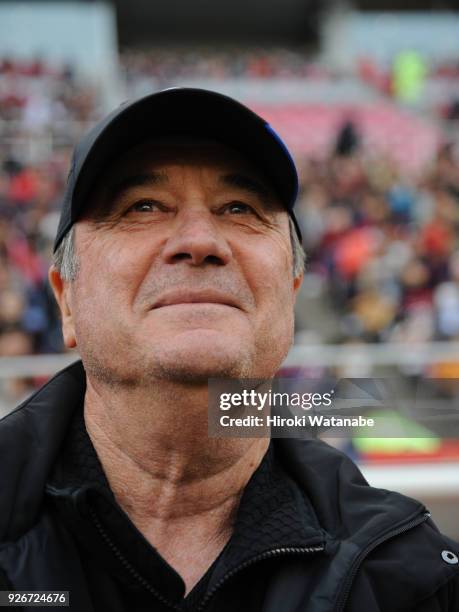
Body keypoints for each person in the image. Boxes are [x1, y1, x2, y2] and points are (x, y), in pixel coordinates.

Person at [0, 87, 458, 612]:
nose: (200, 240)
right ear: (67, 302)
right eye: (142, 207)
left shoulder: (417, 582)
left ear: (291, 292)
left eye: (239, 208)